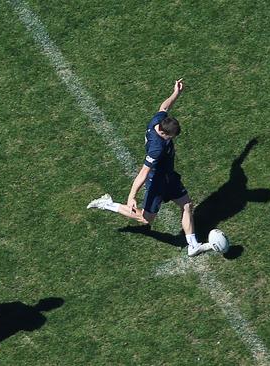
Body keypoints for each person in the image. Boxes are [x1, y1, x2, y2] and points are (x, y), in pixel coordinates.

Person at [87, 79, 212, 257]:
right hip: (158, 181)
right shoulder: (157, 148)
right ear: (163, 133)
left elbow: (164, 107)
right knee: (146, 219)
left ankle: (193, 245)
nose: (172, 139)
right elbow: (143, 173)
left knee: (186, 204)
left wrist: (176, 93)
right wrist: (132, 196)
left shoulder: (159, 121)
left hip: (169, 176)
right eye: (171, 137)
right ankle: (107, 204)